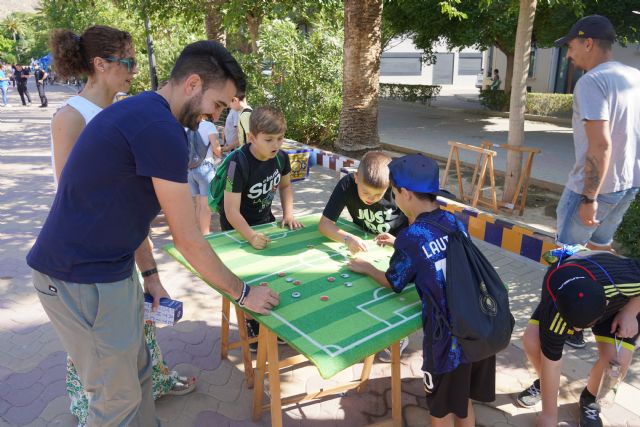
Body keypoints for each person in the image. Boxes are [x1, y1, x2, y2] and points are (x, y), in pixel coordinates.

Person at [27, 39, 279, 426]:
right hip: (78, 278)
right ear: (193, 83)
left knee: (139, 376)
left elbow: (129, 212)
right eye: (219, 103)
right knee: (116, 399)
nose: (217, 114)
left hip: (112, 271)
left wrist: (150, 276)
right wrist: (244, 293)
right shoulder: (159, 127)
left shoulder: (146, 113)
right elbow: (189, 239)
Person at [47, 25, 199, 425]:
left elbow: (129, 209)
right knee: (108, 383)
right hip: (85, 264)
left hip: (119, 253)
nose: (133, 70)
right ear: (100, 64)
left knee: (136, 359)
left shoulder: (127, 109)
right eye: (127, 62)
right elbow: (82, 200)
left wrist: (149, 272)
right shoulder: (72, 117)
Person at [347, 153, 496, 427]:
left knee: (440, 411)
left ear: (405, 193)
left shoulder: (411, 238)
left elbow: (394, 282)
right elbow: (440, 255)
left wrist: (366, 267)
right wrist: (399, 244)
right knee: (463, 404)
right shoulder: (453, 222)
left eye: (393, 192)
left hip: (446, 344)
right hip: (477, 328)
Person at [553, 15, 640, 350]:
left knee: (567, 256)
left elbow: (600, 144)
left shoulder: (591, 82)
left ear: (587, 42)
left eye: (571, 46)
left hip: (595, 189)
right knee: (600, 252)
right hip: (628, 185)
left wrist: (588, 196)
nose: (569, 54)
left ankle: (570, 324)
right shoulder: (633, 77)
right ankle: (595, 313)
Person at [516, 249, 640, 427]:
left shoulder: (626, 278)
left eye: (582, 327)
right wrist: (549, 416)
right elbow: (552, 360)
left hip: (621, 304)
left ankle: (590, 398)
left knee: (617, 362)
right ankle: (545, 385)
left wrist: (631, 311)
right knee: (532, 341)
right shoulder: (555, 305)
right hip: (571, 298)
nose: (576, 331)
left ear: (606, 301)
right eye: (573, 327)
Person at [217, 106, 302, 350]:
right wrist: (250, 235)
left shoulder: (281, 158)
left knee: (274, 273)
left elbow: (285, 187)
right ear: (252, 137)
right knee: (247, 278)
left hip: (265, 223)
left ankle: (271, 321)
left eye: (280, 138)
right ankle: (252, 322)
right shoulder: (237, 162)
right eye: (268, 139)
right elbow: (231, 210)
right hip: (237, 231)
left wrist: (288, 214)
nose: (275, 144)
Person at [318, 151, 409, 361]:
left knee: (391, 288)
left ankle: (398, 334)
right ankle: (363, 326)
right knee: (359, 285)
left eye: (378, 195)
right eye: (366, 192)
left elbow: (416, 222)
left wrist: (400, 243)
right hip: (366, 243)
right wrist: (347, 239)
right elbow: (325, 224)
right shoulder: (346, 185)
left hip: (397, 246)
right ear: (356, 178)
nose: (371, 199)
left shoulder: (399, 190)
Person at [189, 114, 222, 235]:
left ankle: (200, 232)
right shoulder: (208, 126)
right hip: (205, 168)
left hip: (189, 170)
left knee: (198, 204)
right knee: (205, 206)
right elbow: (216, 148)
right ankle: (205, 235)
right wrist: (219, 156)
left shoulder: (185, 126)